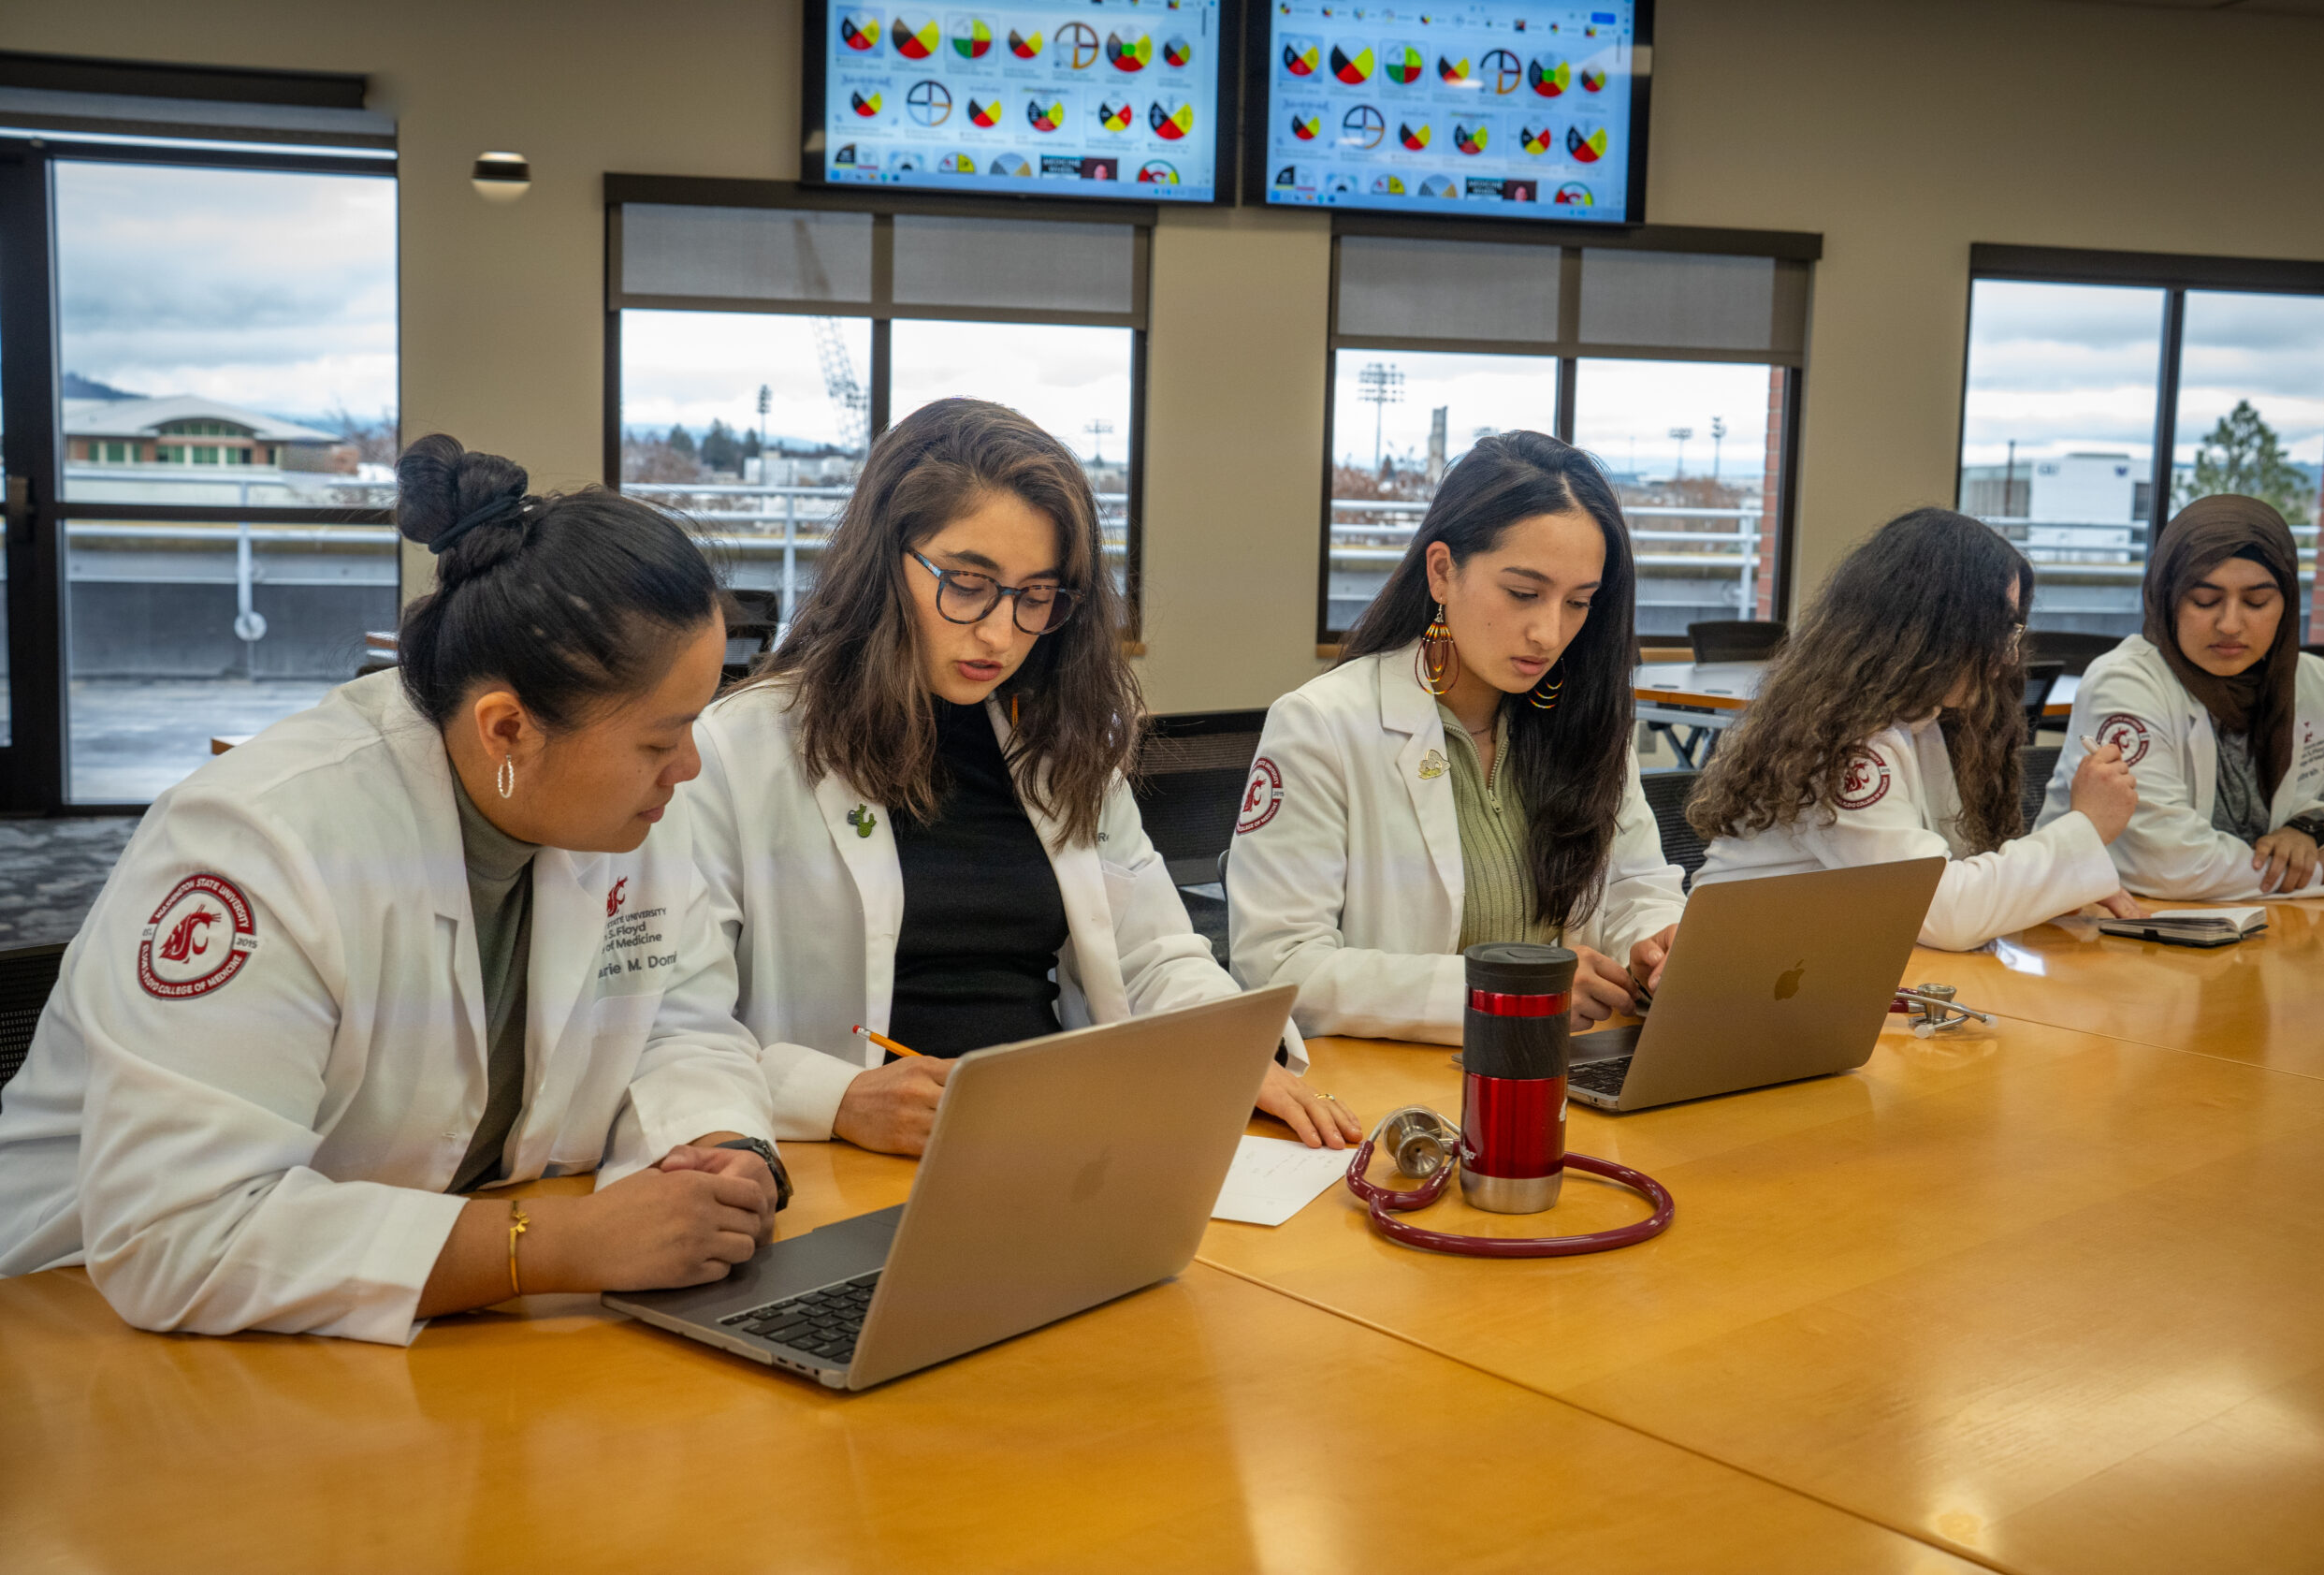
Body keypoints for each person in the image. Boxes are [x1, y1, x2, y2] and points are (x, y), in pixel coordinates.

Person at [0, 436, 784, 1344]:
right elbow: (181, 1233)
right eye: (660, 739)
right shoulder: (261, 845)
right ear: (507, 729)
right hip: (86, 1325)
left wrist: (715, 1149)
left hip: (425, 1323)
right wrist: (549, 1244)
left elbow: (679, 1022)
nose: (688, 767)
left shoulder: (626, 811)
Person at [685, 398, 1360, 1155]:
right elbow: (676, 1022)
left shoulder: (1056, 734)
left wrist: (1228, 1052)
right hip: (844, 1163)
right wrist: (834, 1097)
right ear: (884, 561)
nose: (1002, 633)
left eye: (1037, 596)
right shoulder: (739, 751)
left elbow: (1154, 951)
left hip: (1054, 1141)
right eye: (968, 583)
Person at [1227, 430, 1684, 1043]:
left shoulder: (1588, 722)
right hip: (1400, 1096)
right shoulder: (1323, 725)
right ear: (1442, 571)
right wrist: (1508, 993)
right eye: (1523, 593)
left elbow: (1635, 887)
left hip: (1563, 1070)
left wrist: (1654, 944)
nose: (1549, 633)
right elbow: (1279, 970)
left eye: (1578, 602)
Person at [1690, 507, 2142, 951]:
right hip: (1742, 973)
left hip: (1816, 965)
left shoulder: (1923, 720)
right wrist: (2084, 830)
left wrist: (2047, 888)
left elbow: (1956, 881)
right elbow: (1944, 913)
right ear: (1930, 627)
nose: (2006, 657)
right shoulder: (1846, 747)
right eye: (1997, 632)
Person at [2038, 494, 2324, 897]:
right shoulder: (2125, 682)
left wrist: (2311, 830)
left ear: (2288, 603)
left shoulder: (2307, 679)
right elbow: (2171, 863)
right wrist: (2321, 871)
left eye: (2257, 601)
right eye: (2205, 601)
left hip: (2268, 931)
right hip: (2120, 932)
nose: (2229, 624)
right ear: (2169, 598)